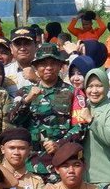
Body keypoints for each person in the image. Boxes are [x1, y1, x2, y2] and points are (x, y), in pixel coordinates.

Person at [11, 43, 82, 176]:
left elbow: (80, 125)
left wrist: (60, 144)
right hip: (30, 163)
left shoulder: (73, 92)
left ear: (60, 66)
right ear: (36, 67)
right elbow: (13, 120)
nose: (48, 68)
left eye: (53, 63)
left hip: (62, 163)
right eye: (43, 64)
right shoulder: (24, 92)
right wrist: (27, 100)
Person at [78, 67, 110, 186]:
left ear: (106, 87)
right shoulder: (82, 107)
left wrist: (91, 120)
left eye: (99, 86)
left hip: (107, 178)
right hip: (84, 178)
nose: (94, 90)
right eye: (90, 86)